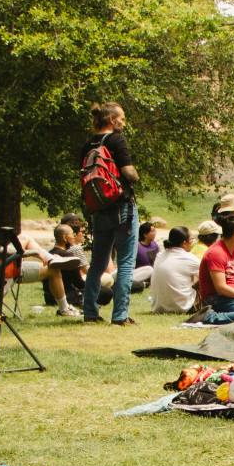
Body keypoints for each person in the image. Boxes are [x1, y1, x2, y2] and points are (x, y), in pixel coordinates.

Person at [79, 102, 140, 325]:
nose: (124, 122)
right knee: (125, 261)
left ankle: (90, 312)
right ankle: (120, 315)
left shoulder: (88, 144)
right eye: (122, 118)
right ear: (112, 120)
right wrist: (135, 176)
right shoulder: (116, 140)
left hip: (98, 207)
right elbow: (129, 173)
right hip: (121, 205)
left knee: (98, 262)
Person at [34, 222, 88, 317]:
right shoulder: (69, 257)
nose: (74, 237)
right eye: (72, 234)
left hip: (49, 297)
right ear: (64, 237)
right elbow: (79, 283)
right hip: (69, 297)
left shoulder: (49, 255)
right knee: (105, 292)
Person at [149, 226, 201, 313]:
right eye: (191, 240)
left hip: (158, 307)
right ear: (184, 243)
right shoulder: (189, 258)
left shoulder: (160, 255)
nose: (192, 243)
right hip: (184, 308)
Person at [132, 219, 160, 293]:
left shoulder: (154, 245)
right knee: (149, 270)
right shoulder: (136, 247)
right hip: (141, 274)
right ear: (145, 234)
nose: (155, 233)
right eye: (152, 231)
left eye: (155, 230)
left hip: (154, 274)